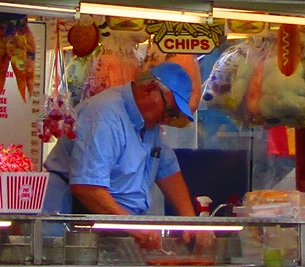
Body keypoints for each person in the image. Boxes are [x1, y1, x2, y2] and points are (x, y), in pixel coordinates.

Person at [43, 63, 198, 217]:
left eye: (175, 115)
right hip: (76, 215)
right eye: (170, 111)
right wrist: (134, 229)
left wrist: (192, 225)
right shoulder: (104, 117)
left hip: (118, 220)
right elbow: (87, 188)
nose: (169, 120)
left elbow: (168, 172)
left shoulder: (151, 125)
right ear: (150, 90)